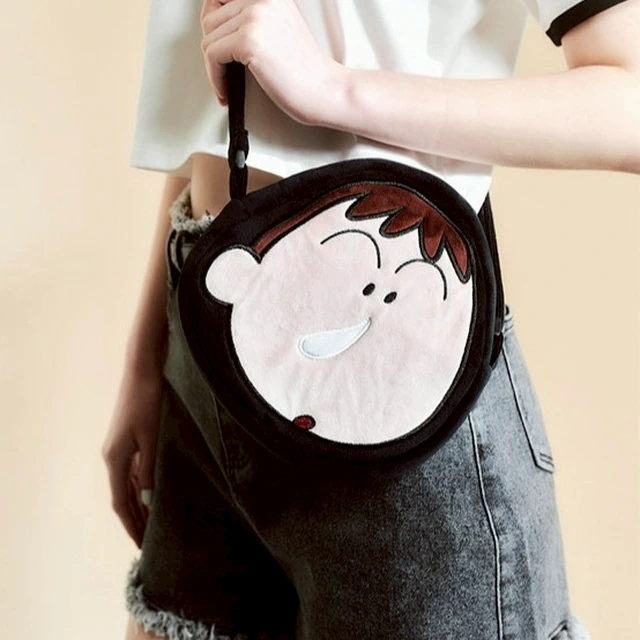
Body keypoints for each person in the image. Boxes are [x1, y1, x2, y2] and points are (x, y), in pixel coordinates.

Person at [102, 1, 639, 639]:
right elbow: (217, 104)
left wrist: (334, 89)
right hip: (210, 358)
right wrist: (146, 359)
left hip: (393, 403)